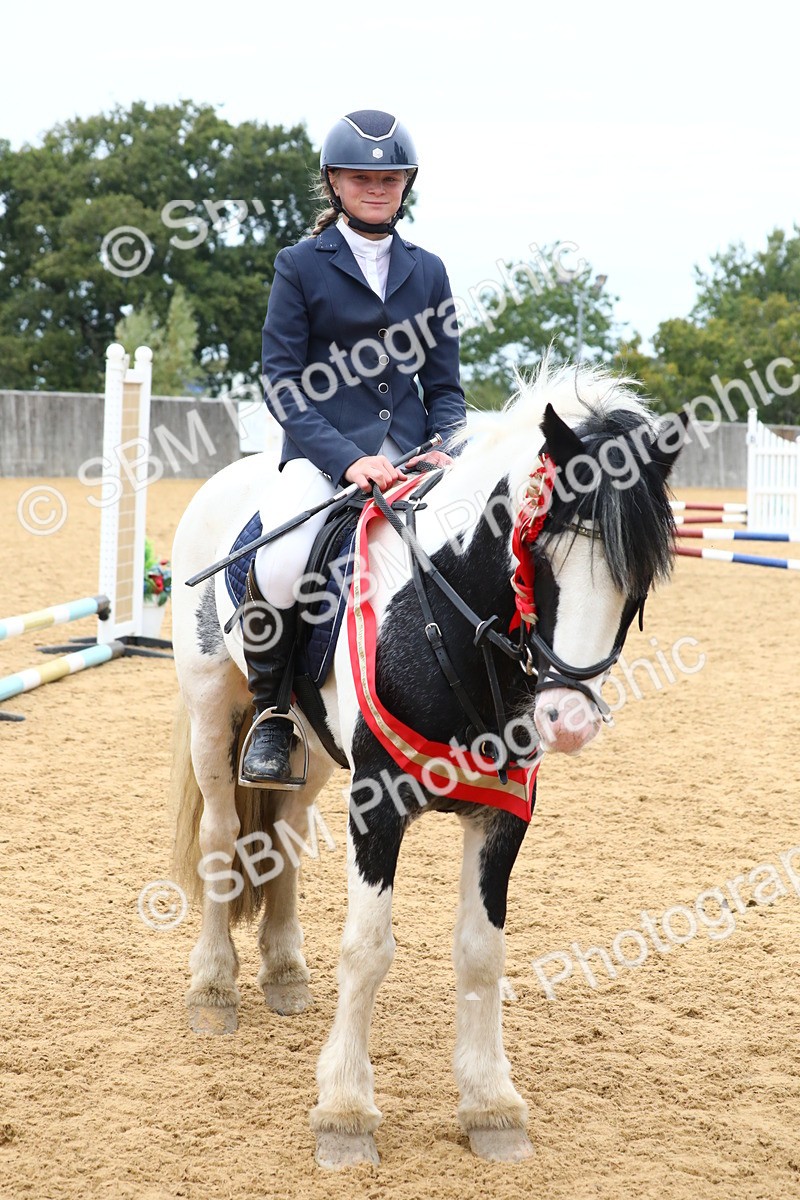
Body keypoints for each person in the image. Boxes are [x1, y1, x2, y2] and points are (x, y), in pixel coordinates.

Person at [241, 109, 467, 785]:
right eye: (361, 176)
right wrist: (345, 458)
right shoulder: (300, 266)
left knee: (475, 545)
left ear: (406, 185)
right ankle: (272, 716)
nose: (376, 186)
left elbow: (445, 384)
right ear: (334, 182)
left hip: (414, 460)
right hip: (321, 456)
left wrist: (443, 447)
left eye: (389, 176)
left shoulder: (429, 272)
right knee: (281, 565)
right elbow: (281, 381)